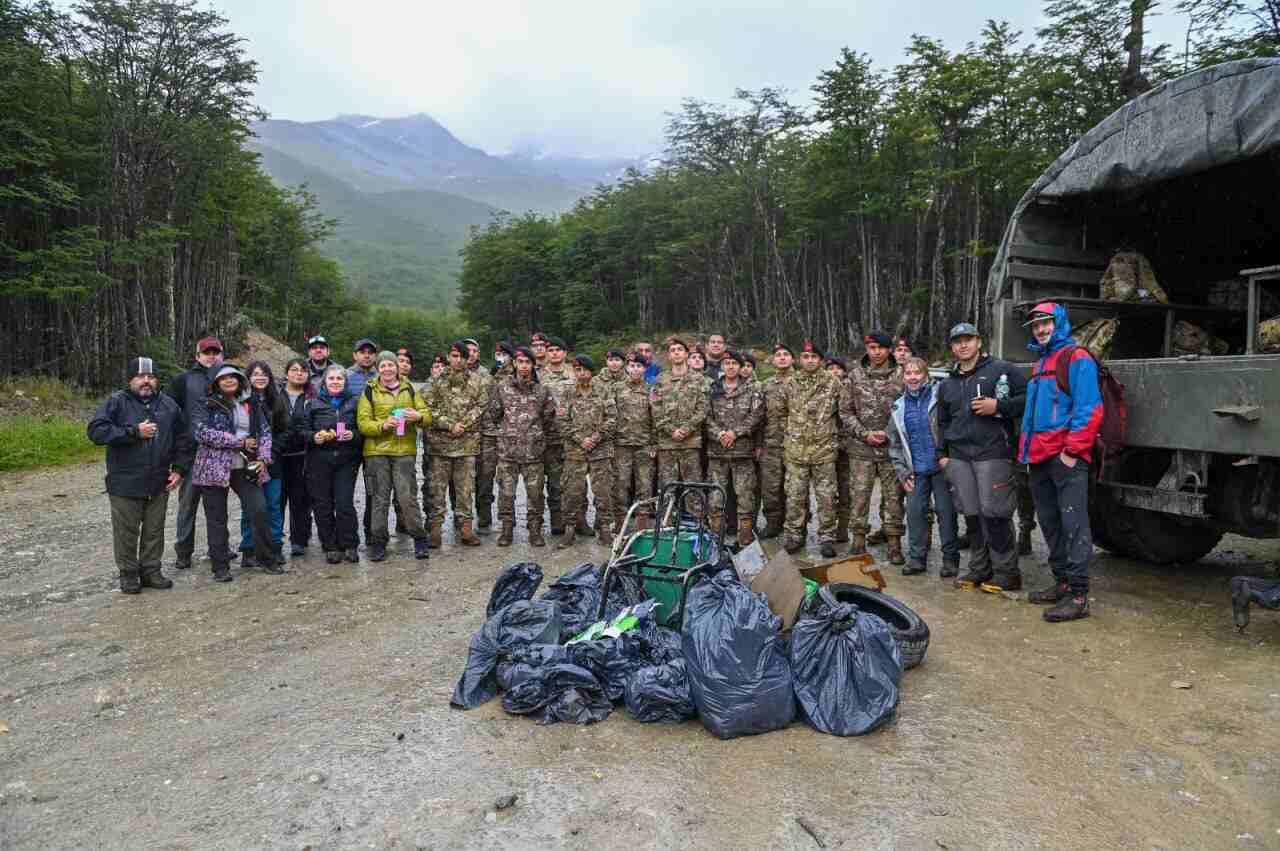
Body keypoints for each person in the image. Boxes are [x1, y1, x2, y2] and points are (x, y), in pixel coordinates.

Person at [1020, 302, 1103, 622]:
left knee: (1074, 525)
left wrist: (1072, 452)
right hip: (1039, 456)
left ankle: (1079, 596)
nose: (1040, 330)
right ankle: (1062, 583)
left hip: (1065, 457)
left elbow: (1089, 408)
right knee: (1051, 523)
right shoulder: (1041, 362)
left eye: (1046, 323)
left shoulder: (1076, 357)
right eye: (1036, 325)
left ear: (1060, 324)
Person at [937, 322, 1028, 592]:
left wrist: (999, 406)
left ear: (979, 342)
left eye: (968, 339)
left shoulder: (1002, 370)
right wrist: (942, 454)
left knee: (995, 512)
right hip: (959, 456)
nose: (963, 345)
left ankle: (1007, 572)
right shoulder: (948, 383)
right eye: (957, 341)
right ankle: (979, 568)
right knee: (972, 514)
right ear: (952, 347)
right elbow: (942, 422)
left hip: (993, 451)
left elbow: (1028, 398)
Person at [88, 357, 192, 593]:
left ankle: (151, 571)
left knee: (154, 530)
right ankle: (128, 574)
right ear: (130, 380)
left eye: (151, 377)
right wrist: (134, 432)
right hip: (125, 481)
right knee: (126, 532)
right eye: (140, 376)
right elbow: (96, 431)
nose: (146, 381)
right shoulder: (116, 402)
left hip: (159, 481)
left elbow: (184, 439)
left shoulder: (169, 405)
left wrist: (179, 469)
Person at [192, 365, 279, 582]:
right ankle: (220, 567)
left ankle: (266, 558)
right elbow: (202, 433)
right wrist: (238, 442)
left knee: (259, 509)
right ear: (216, 383)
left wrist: (263, 458)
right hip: (213, 468)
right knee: (217, 518)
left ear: (240, 381)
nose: (229, 380)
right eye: (224, 378)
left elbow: (265, 432)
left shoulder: (251, 403)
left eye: (234, 377)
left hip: (246, 467)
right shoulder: (205, 404)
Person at [887, 357, 959, 577]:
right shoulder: (898, 407)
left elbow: (951, 428)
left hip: (940, 467)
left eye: (917, 373)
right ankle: (917, 559)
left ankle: (950, 559)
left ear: (926, 375)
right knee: (915, 514)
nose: (913, 377)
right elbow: (894, 444)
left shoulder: (939, 399)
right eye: (908, 373)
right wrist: (902, 471)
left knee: (946, 513)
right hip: (915, 471)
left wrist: (950, 458)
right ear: (903, 378)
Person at [357, 351, 431, 562]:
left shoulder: (409, 388)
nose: (387, 369)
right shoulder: (369, 390)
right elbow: (363, 423)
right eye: (383, 366)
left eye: (391, 365)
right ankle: (378, 543)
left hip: (404, 451)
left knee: (407, 498)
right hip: (376, 452)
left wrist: (418, 416)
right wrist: (382, 425)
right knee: (379, 499)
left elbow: (427, 416)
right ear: (378, 369)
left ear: (397, 368)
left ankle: (419, 539)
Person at [841, 332, 907, 563]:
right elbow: (845, 411)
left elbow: (910, 409)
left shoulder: (903, 374)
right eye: (872, 347)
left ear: (889, 350)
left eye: (881, 347)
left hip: (892, 449)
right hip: (861, 449)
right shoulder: (855, 375)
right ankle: (858, 541)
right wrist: (864, 434)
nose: (876, 352)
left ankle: (894, 543)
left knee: (893, 498)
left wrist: (889, 433)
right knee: (859, 496)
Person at [778, 341, 843, 557]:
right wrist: (791, 435)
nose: (810, 360)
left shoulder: (833, 382)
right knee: (795, 496)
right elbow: (781, 412)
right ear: (800, 359)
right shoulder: (790, 383)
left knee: (826, 497)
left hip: (824, 451)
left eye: (814, 357)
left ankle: (827, 537)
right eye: (806, 357)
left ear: (821, 360)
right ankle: (795, 535)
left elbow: (842, 412)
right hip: (796, 451)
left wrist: (831, 436)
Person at [489, 346, 556, 547]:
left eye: (528, 362)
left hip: (533, 452)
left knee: (535, 495)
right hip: (508, 452)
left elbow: (548, 418)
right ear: (515, 364)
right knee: (506, 494)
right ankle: (507, 529)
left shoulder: (542, 390)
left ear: (533, 365)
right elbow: (495, 414)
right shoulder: (502, 387)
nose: (524, 366)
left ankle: (535, 530)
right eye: (521, 362)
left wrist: (534, 435)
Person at [168, 335, 223, 570]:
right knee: (187, 505)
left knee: (217, 506)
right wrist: (175, 453)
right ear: (197, 355)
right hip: (191, 452)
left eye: (215, 352)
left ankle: (218, 548)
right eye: (206, 352)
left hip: (219, 453)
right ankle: (183, 552)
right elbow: (169, 414)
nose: (211, 356)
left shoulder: (227, 378)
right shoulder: (183, 380)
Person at [424, 341, 486, 548]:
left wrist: (463, 424)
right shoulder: (436, 381)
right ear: (449, 357)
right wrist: (449, 425)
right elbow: (427, 408)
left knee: (465, 490)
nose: (457, 360)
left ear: (468, 359)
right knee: (437, 490)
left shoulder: (477, 381)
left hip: (466, 444)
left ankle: (466, 529)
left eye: (462, 356)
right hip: (440, 446)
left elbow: (481, 406)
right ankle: (435, 530)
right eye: (454, 356)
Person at [301, 365, 363, 564]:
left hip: (346, 459)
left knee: (344, 503)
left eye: (339, 378)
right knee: (323, 504)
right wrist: (314, 437)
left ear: (345, 382)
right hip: (319, 459)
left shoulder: (355, 402)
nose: (335, 382)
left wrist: (353, 434)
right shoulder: (313, 403)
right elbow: (301, 430)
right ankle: (330, 546)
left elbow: (364, 429)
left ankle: (350, 543)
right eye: (331, 378)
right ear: (324, 382)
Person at [558, 355, 617, 548]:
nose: (581, 373)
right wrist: (580, 439)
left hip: (600, 451)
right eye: (577, 369)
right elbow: (562, 421)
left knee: (603, 491)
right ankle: (570, 529)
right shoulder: (568, 392)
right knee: (572, 491)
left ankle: (605, 529)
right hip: (575, 451)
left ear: (591, 371)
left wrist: (596, 437)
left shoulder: (604, 390)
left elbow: (612, 418)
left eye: (584, 369)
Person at [707, 351, 764, 545]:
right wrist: (720, 434)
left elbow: (756, 415)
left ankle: (745, 536)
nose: (730, 366)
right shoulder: (712, 388)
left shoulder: (752, 388)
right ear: (722, 366)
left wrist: (735, 433)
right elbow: (706, 416)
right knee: (716, 496)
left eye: (734, 363)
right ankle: (716, 538)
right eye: (727, 363)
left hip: (742, 451)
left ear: (740, 367)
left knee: (745, 495)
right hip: (718, 452)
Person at [238, 362, 289, 567]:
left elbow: (285, 431)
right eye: (255, 374)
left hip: (273, 462)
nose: (260, 377)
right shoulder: (241, 401)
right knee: (249, 507)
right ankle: (248, 548)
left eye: (264, 374)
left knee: (273, 505)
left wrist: (271, 454)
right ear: (248, 377)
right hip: (248, 460)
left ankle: (275, 546)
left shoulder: (277, 400)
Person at [650, 337, 709, 509]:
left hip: (690, 442)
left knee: (693, 487)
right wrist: (671, 430)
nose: (676, 353)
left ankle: (697, 520)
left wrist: (686, 429)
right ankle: (666, 521)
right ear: (669, 356)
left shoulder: (698, 379)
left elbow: (703, 408)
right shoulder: (660, 380)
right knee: (666, 487)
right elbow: (655, 408)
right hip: (667, 443)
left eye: (680, 350)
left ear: (686, 354)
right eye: (673, 350)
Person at [613, 352, 656, 531]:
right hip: (621, 445)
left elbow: (656, 417)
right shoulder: (616, 388)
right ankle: (620, 524)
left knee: (644, 484)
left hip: (644, 444)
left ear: (645, 369)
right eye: (632, 366)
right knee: (621, 484)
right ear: (626, 368)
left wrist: (654, 444)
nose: (635, 369)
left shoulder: (651, 390)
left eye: (639, 366)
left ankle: (642, 525)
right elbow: (610, 415)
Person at [476, 341, 514, 533]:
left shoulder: (516, 374)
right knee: (485, 476)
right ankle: (484, 516)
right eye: (497, 353)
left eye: (503, 353)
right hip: (488, 432)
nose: (500, 357)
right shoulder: (489, 375)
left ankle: (507, 518)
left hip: (509, 433)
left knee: (507, 478)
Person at [758, 343, 795, 538]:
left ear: (792, 359)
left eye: (786, 354)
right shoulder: (766, 385)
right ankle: (773, 523)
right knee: (770, 488)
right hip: (771, 444)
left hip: (796, 444)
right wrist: (758, 444)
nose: (782, 357)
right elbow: (759, 416)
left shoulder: (801, 381)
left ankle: (795, 526)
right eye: (778, 355)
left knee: (795, 488)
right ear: (773, 360)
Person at [540, 336, 576, 534]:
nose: (554, 353)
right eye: (551, 350)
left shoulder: (575, 373)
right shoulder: (539, 375)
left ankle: (578, 520)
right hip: (550, 436)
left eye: (558, 350)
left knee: (576, 481)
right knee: (554, 482)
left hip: (573, 436)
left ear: (565, 353)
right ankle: (557, 519)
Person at [279, 358, 314, 556]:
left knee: (300, 499)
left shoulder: (312, 397)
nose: (299, 373)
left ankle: (299, 540)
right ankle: (274, 540)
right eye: (294, 369)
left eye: (303, 370)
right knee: (277, 499)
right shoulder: (275, 394)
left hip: (303, 455)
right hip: (278, 455)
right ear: (287, 373)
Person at [826, 356, 853, 545]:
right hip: (826, 448)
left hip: (847, 449)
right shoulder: (822, 389)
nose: (834, 371)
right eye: (830, 368)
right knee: (827, 491)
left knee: (846, 490)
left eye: (838, 368)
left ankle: (843, 529)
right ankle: (829, 528)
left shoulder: (850, 388)